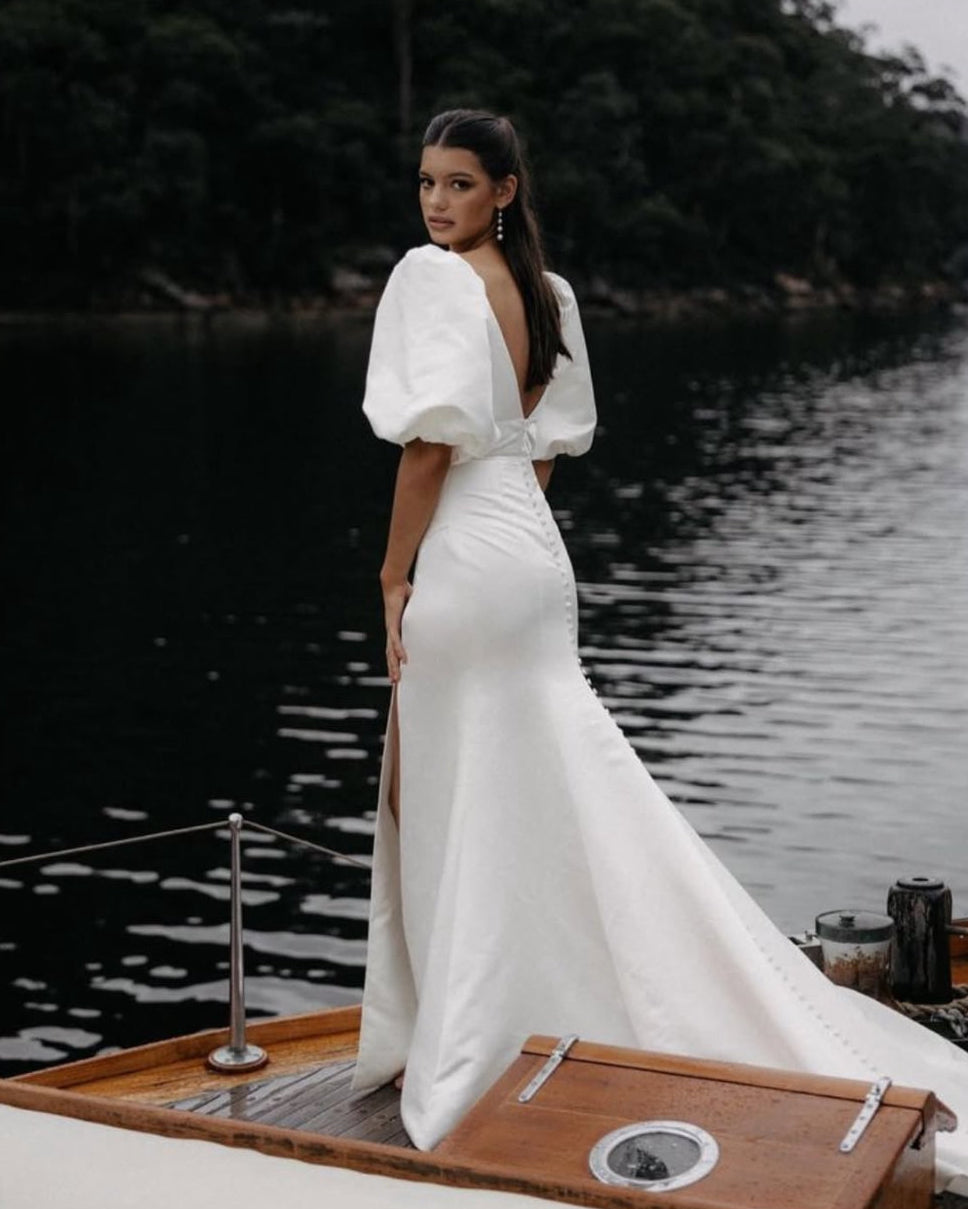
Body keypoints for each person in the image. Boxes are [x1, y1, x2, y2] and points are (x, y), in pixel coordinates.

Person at [350, 108, 968, 1187]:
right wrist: (501, 516)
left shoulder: (430, 278)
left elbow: (423, 447)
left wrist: (396, 573)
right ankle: (560, 983)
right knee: (538, 767)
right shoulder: (548, 296)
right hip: (528, 553)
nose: (434, 203)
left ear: (503, 189)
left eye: (456, 184)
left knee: (458, 785)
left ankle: (483, 1016)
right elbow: (539, 450)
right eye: (424, 185)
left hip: (461, 551)